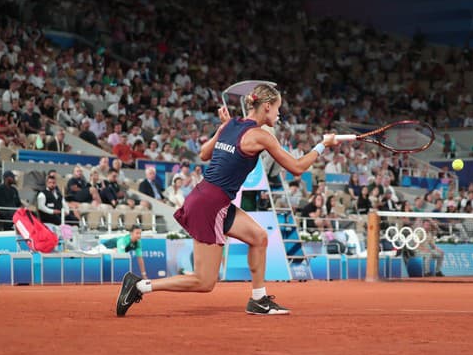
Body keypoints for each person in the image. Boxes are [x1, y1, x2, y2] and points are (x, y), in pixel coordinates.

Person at [116, 83, 339, 317]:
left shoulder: (231, 124)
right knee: (204, 282)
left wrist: (222, 128)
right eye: (277, 108)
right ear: (266, 106)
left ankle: (259, 299)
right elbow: (296, 167)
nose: (279, 114)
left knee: (259, 237)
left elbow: (204, 154)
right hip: (210, 206)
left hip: (212, 199)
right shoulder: (261, 136)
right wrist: (323, 145)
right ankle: (139, 285)